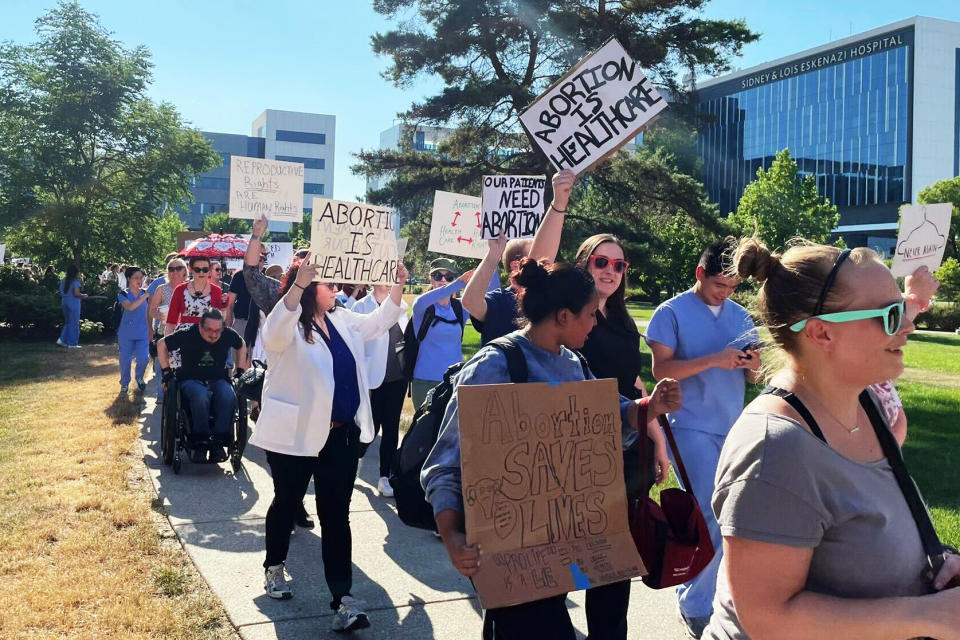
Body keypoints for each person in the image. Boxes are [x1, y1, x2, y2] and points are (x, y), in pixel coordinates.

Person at [701, 238, 960, 640]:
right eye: (891, 315)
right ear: (821, 333)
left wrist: (936, 563)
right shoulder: (775, 449)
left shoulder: (867, 404)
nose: (908, 325)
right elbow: (768, 619)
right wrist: (927, 614)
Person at [422, 259, 682, 639]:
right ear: (563, 316)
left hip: (555, 551)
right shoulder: (497, 365)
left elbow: (606, 421)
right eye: (590, 314)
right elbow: (445, 464)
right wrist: (452, 536)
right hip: (504, 550)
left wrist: (650, 408)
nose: (595, 323)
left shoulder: (574, 364)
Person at [249, 253, 407, 633]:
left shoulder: (340, 318)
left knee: (336, 514)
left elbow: (376, 323)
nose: (337, 288)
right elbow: (272, 336)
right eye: (328, 282)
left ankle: (344, 599)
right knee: (287, 501)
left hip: (340, 435)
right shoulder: (286, 321)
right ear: (305, 284)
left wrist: (398, 284)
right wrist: (299, 284)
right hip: (296, 436)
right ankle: (274, 568)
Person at [645, 237, 761, 638]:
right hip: (687, 426)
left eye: (732, 288)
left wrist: (753, 365)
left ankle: (712, 596)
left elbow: (754, 374)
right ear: (700, 274)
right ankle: (696, 604)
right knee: (709, 511)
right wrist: (715, 358)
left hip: (732, 426)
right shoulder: (670, 312)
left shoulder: (740, 315)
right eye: (718, 286)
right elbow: (662, 369)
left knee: (731, 515)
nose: (725, 294)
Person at [158, 309, 246, 463]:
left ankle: (218, 443)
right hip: (190, 379)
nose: (214, 335)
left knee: (228, 396)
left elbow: (241, 344)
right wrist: (166, 372)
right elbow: (161, 344)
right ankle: (200, 442)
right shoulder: (187, 334)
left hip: (218, 379)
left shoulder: (227, 334)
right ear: (200, 326)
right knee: (200, 395)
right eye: (209, 330)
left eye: (218, 331)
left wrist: (240, 370)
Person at [351, 284, 409, 497]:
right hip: (372, 379)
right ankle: (356, 457)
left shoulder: (401, 305)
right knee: (370, 427)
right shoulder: (361, 307)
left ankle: (385, 476)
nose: (387, 282)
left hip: (397, 377)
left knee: (392, 427)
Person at [409, 258, 474, 408]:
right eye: (438, 276)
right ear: (431, 279)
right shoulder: (421, 305)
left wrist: (493, 256)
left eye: (449, 277)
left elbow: (488, 290)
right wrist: (457, 284)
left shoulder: (460, 308)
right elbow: (427, 299)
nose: (443, 280)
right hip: (424, 383)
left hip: (454, 381)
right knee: (425, 431)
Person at [149, 258, 188, 400]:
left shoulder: (190, 288)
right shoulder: (162, 289)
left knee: (182, 365)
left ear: (185, 271)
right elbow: (152, 310)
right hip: (164, 330)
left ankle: (181, 393)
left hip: (185, 333)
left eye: (178, 268)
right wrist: (158, 314)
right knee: (163, 363)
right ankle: (163, 395)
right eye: (171, 269)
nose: (174, 272)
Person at [164, 256, 225, 336]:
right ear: (190, 269)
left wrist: (224, 304)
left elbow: (220, 321)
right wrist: (168, 344)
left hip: (208, 337)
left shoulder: (217, 291)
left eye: (205, 270)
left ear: (209, 271)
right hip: (184, 336)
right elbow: (171, 321)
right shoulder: (180, 289)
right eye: (197, 270)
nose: (201, 273)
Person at [117, 266, 151, 393]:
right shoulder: (123, 294)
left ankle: (139, 377)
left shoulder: (146, 294)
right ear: (128, 278)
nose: (139, 280)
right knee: (125, 359)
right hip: (126, 333)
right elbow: (130, 307)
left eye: (141, 278)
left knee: (144, 358)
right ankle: (124, 383)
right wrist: (145, 295)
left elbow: (151, 312)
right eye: (136, 277)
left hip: (143, 332)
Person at [57, 265, 87, 348]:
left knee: (68, 322)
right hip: (73, 303)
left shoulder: (63, 280)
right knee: (74, 323)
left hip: (64, 302)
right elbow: (76, 293)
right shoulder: (75, 281)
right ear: (75, 273)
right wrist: (84, 295)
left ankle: (62, 339)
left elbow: (61, 291)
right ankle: (72, 343)